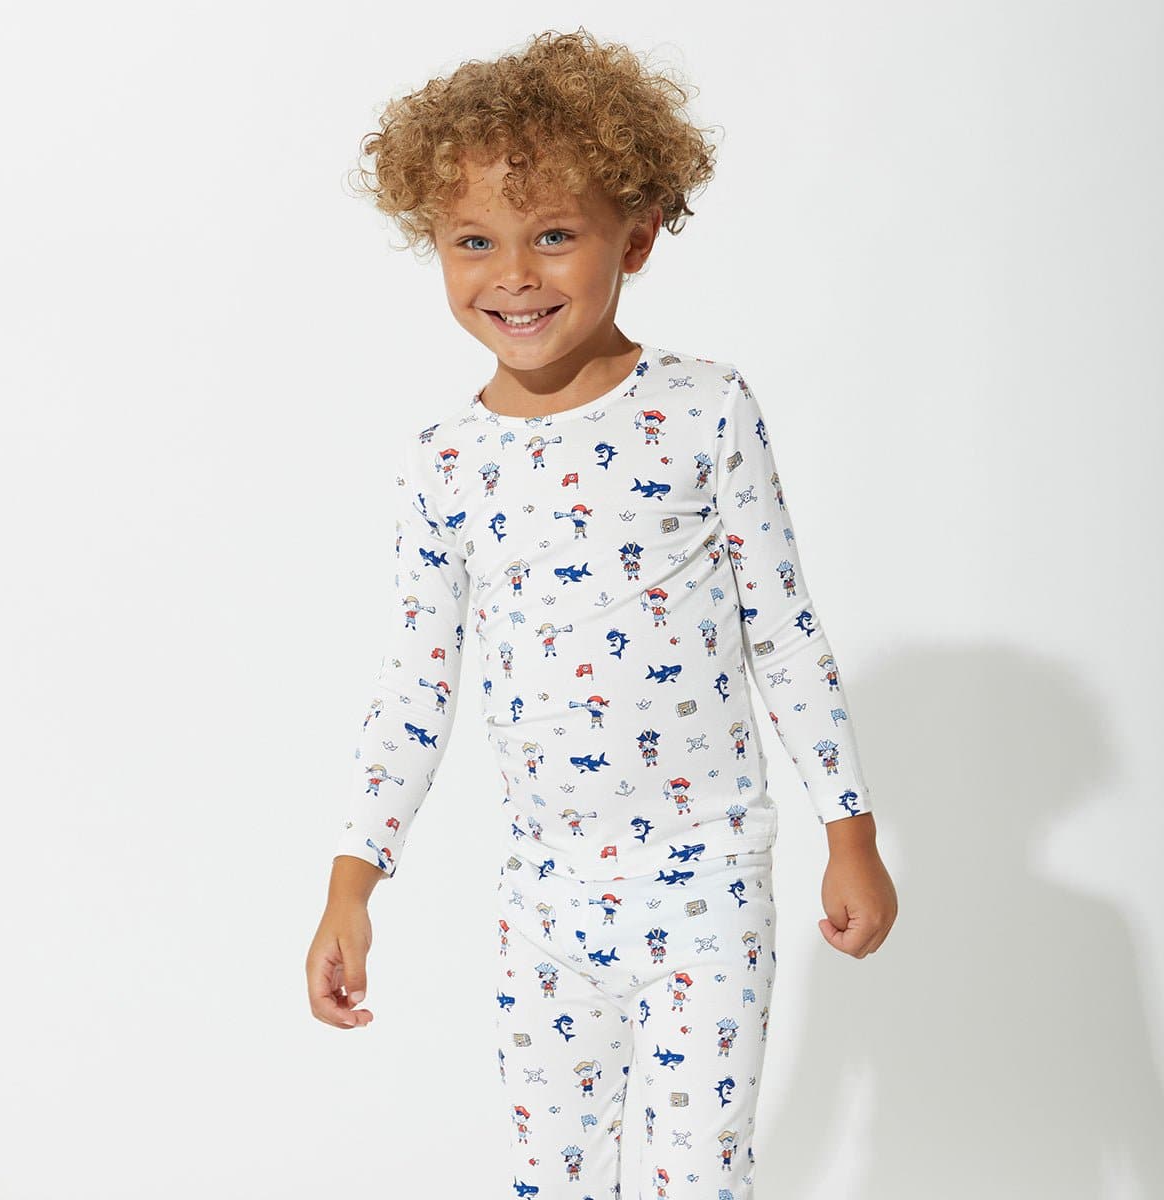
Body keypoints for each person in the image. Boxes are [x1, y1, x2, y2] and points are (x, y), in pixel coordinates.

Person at [306, 27, 898, 1198]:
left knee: (697, 1177)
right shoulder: (446, 463)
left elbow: (783, 632)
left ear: (635, 236)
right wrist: (353, 880)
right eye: (475, 241)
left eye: (553, 236)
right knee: (555, 1179)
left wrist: (851, 832)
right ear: (434, 243)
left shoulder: (705, 410)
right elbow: (417, 682)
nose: (514, 275)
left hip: (706, 880)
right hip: (547, 899)